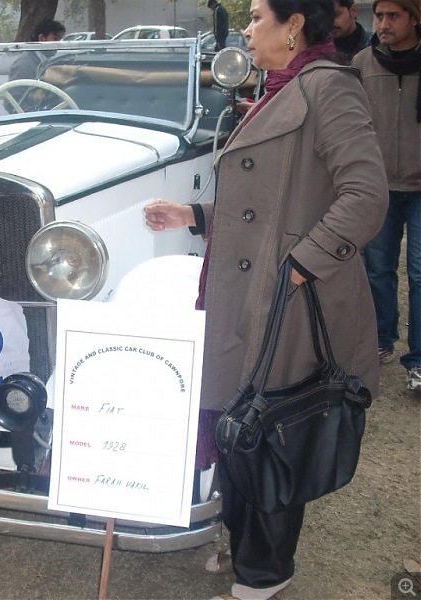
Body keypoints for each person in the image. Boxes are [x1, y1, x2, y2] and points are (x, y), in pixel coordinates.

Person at [144, 0, 388, 597]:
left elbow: (366, 195)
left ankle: (265, 572)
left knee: (274, 429)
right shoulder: (284, 87)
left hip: (290, 302)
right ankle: (244, 545)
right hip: (251, 295)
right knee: (240, 421)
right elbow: (273, 200)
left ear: (294, 24)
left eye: (256, 16)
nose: (247, 29)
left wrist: (301, 264)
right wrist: (196, 214)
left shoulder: (328, 88)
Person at [352, 0, 421, 391]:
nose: (383, 24)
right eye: (379, 16)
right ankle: (379, 341)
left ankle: (419, 359)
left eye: (393, 16)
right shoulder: (364, 63)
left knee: (420, 272)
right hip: (379, 184)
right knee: (377, 267)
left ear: (414, 18)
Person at [6, 18, 66, 111]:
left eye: (59, 40)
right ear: (42, 38)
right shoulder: (23, 64)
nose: (58, 44)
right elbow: (12, 102)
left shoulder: (50, 61)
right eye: (55, 39)